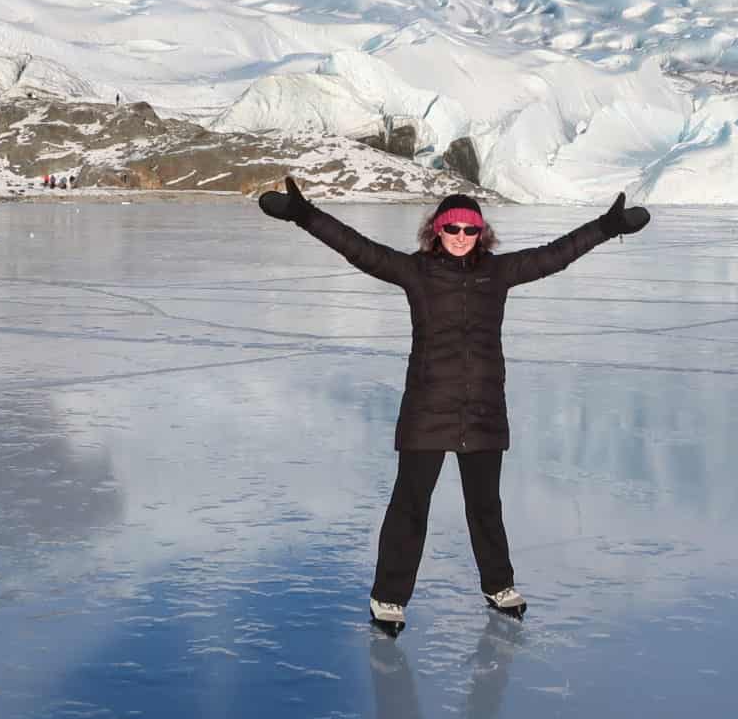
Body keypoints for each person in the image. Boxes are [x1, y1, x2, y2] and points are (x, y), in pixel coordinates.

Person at [257, 176, 650, 633]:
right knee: (410, 505)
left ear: (481, 234)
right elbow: (357, 248)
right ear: (436, 231)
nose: (462, 237)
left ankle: (498, 585)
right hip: (429, 407)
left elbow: (554, 256)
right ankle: (389, 597)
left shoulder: (498, 273)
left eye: (470, 230)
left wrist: (606, 226)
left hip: (483, 409)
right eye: (453, 229)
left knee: (485, 506)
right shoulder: (416, 272)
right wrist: (304, 215)